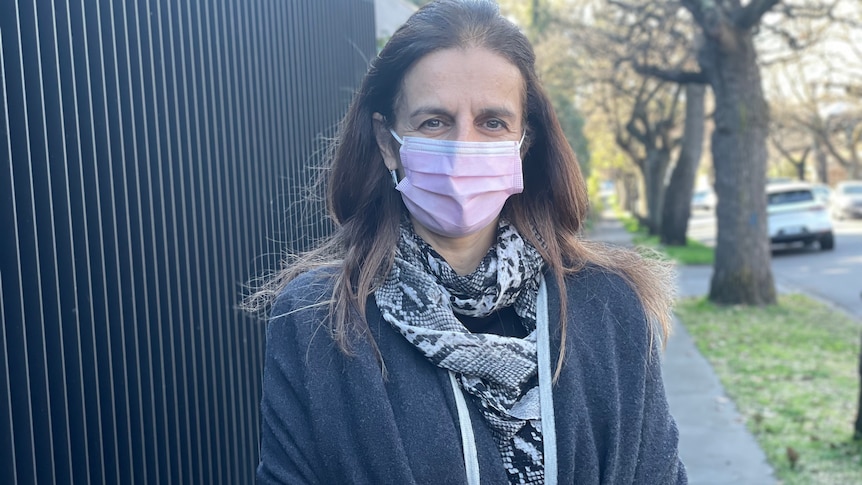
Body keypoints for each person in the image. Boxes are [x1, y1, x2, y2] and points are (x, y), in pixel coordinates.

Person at [251, 1, 686, 483]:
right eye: (434, 122)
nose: (464, 148)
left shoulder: (608, 306)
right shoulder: (319, 321)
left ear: (524, 142)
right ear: (387, 141)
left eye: (492, 122)